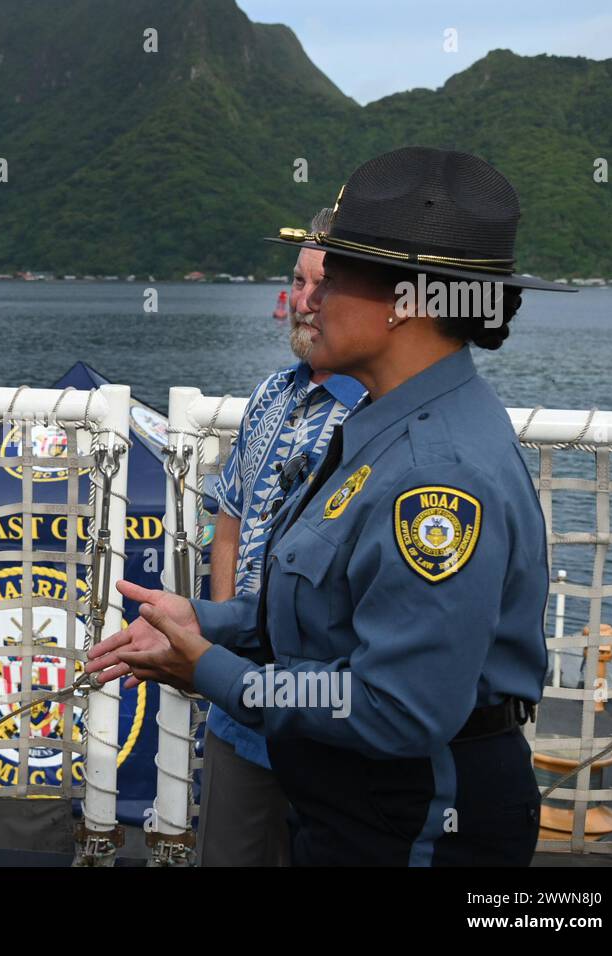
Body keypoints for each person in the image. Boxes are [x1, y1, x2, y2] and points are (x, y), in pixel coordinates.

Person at [90, 146, 575, 866]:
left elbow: (397, 705)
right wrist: (213, 621)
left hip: (417, 820)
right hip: (361, 809)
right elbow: (341, 609)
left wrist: (211, 670)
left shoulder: (434, 475)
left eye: (337, 276)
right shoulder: (392, 425)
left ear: (406, 303)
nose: (308, 299)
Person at [201, 207, 364, 867]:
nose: (304, 302)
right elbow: (230, 521)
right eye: (298, 283)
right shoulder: (271, 395)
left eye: (322, 287)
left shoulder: (381, 409)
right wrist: (221, 639)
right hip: (239, 709)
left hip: (330, 711)